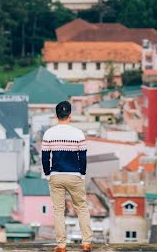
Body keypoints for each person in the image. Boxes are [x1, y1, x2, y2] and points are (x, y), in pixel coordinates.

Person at [41, 100, 92, 252]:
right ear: (70, 115)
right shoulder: (78, 133)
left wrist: (47, 174)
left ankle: (61, 246)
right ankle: (86, 243)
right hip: (74, 175)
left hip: (56, 175)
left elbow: (45, 157)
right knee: (82, 208)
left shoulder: (49, 133)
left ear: (56, 115)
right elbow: (83, 157)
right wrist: (82, 174)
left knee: (58, 210)